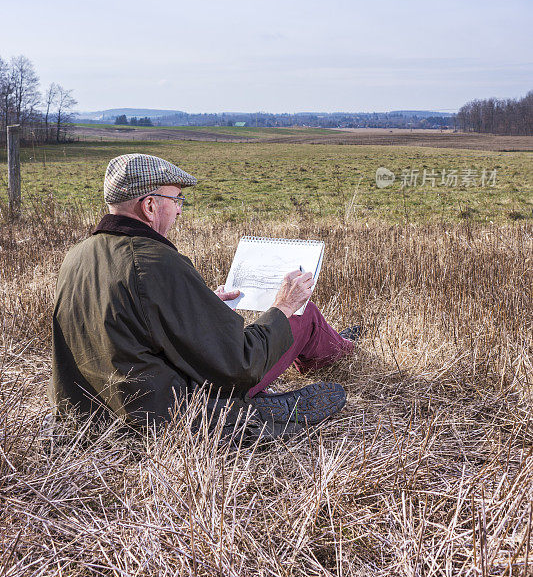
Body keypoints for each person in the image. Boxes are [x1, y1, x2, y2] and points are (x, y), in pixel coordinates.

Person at [48, 153, 358, 440]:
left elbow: (130, 321)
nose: (180, 208)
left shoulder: (78, 255)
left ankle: (332, 343)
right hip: (168, 415)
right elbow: (238, 364)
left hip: (94, 414)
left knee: (298, 321)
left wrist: (198, 305)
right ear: (150, 206)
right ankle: (339, 352)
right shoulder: (154, 261)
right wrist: (284, 305)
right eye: (176, 198)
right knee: (303, 317)